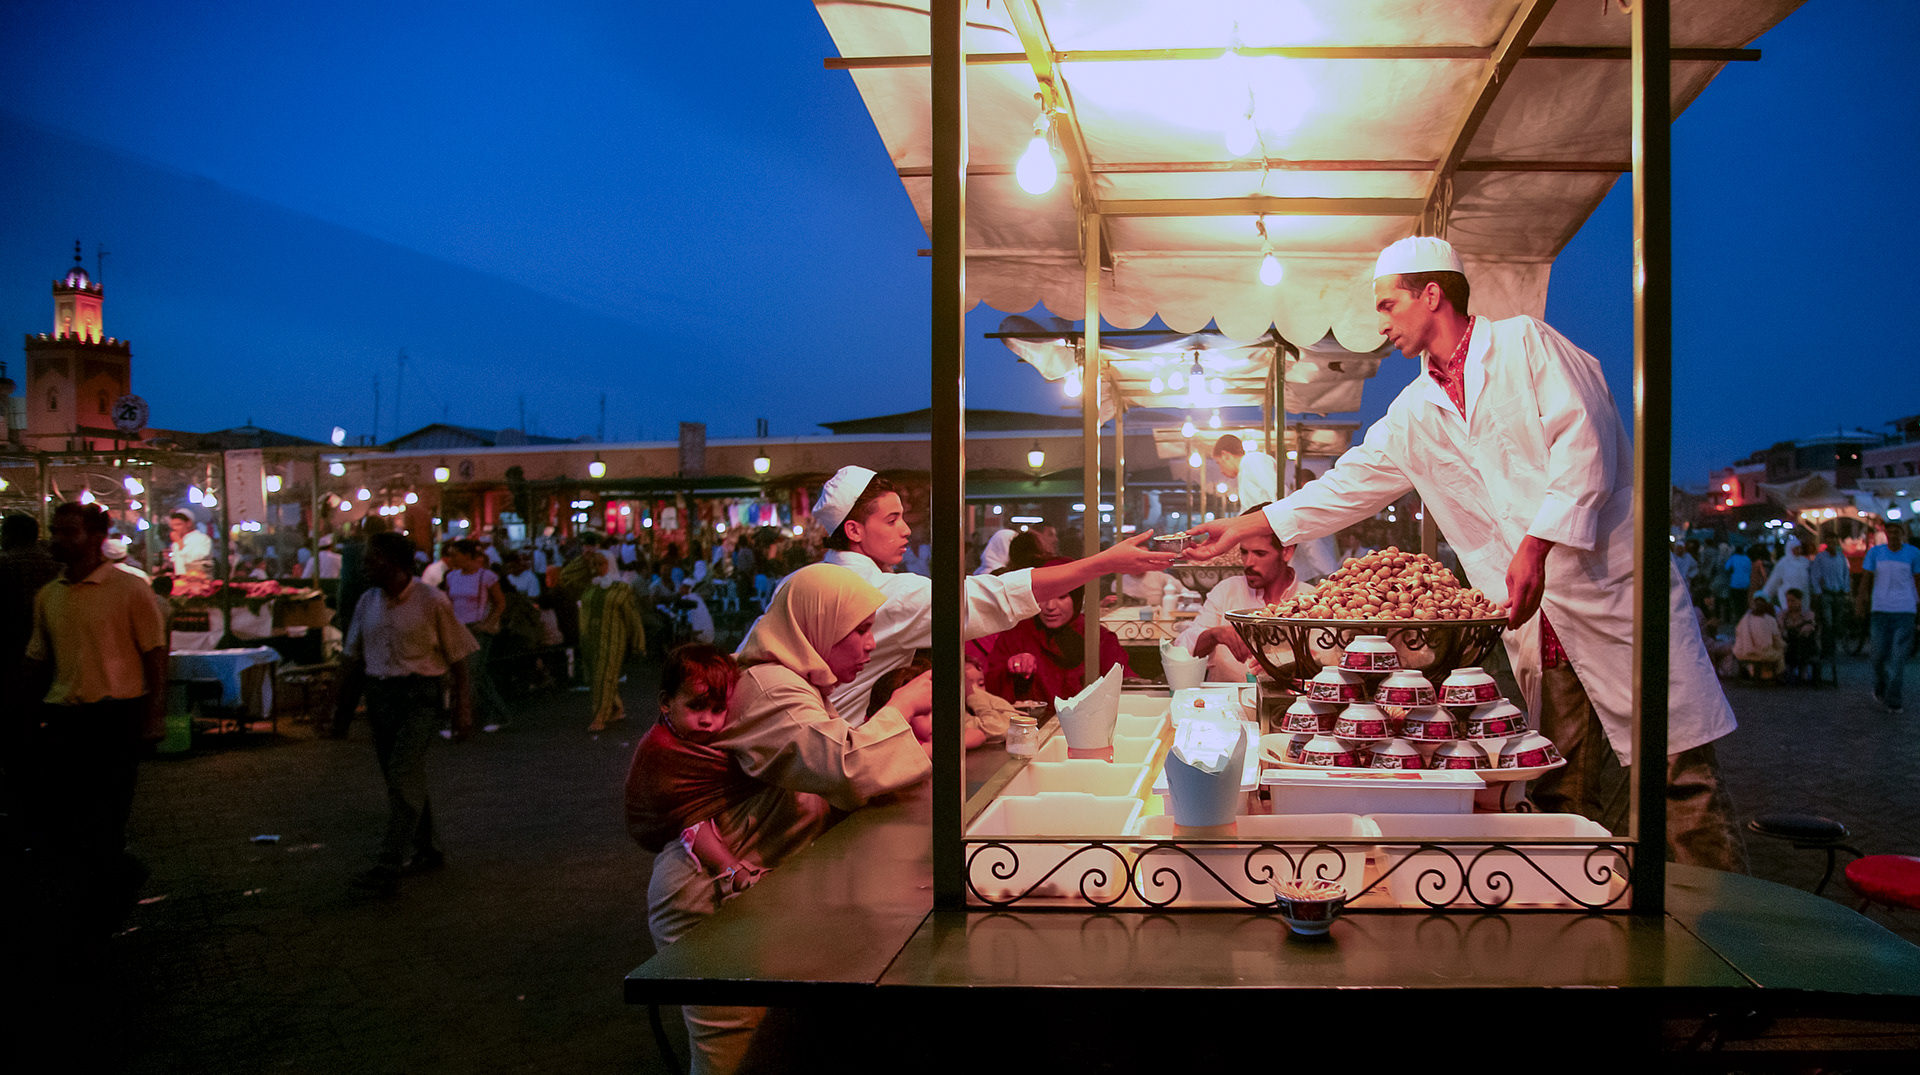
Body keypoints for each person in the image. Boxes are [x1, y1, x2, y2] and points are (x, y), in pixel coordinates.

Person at [1181, 235, 1745, 871]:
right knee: (1558, 777)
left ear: (1432, 295)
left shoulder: (1527, 345)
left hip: (1611, 593)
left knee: (1679, 774)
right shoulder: (1412, 410)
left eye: (1390, 304)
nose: (1381, 321)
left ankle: (1718, 924)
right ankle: (1574, 904)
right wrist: (1251, 523)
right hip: (1539, 619)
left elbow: (1586, 446)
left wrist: (1535, 545)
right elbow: (1349, 485)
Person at [645, 563, 933, 1074]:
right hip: (710, 891)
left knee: (772, 1045)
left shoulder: (795, 682)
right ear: (814, 625)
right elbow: (843, 767)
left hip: (749, 890)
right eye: (860, 629)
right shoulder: (771, 688)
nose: (871, 644)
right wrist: (903, 703)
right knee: (729, 1055)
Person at [20, 502, 168, 928]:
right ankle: (99, 886)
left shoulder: (129, 588)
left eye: (70, 532)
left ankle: (105, 894)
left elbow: (155, 654)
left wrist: (153, 714)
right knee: (69, 808)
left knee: (108, 808)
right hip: (65, 714)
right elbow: (37, 658)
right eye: (57, 531)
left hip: (114, 715)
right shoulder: (48, 595)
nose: (58, 540)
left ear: (96, 537)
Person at [335, 531, 477, 896]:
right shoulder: (367, 601)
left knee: (401, 773)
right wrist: (337, 707)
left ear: (394, 562)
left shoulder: (432, 600)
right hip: (381, 697)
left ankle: (388, 864)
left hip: (420, 698)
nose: (365, 566)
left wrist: (463, 708)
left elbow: (459, 658)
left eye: (372, 559)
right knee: (402, 776)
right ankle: (427, 849)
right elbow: (352, 657)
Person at [624, 645, 764, 898]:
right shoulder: (660, 748)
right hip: (676, 822)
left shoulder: (712, 734)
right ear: (666, 703)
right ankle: (731, 871)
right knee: (695, 822)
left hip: (717, 818)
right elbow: (664, 799)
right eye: (696, 707)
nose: (707, 720)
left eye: (717, 709)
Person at [1174, 504, 1305, 681]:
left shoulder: (1312, 601)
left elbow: (1332, 662)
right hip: (1224, 706)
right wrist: (1215, 634)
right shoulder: (1226, 591)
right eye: (1244, 552)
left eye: (1260, 553)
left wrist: (1293, 662)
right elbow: (1181, 652)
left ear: (1287, 552)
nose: (1248, 562)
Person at [983, 560, 1130, 704]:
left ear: (1076, 598)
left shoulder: (1097, 638)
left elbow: (1124, 685)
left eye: (1062, 596)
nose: (1050, 606)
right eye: (1044, 596)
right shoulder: (1017, 635)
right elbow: (988, 689)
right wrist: (1012, 670)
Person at [443, 539, 510, 732]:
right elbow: (448, 602)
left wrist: (487, 623)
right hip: (459, 627)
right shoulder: (451, 577)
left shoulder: (486, 576)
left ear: (467, 555)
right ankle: (496, 714)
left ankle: (464, 718)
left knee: (471, 672)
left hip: (477, 628)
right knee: (476, 674)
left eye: (455, 554)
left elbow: (500, 603)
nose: (452, 558)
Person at [581, 551, 646, 733]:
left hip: (613, 640)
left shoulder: (621, 588)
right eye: (594, 564)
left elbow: (632, 616)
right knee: (597, 677)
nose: (596, 568)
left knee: (605, 676)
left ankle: (600, 716)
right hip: (592, 640)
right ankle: (616, 707)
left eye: (601, 563)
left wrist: (638, 641)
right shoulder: (591, 587)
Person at [1860, 522, 1918, 713]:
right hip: (1880, 610)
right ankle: (1881, 683)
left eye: (1897, 532)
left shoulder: (1914, 553)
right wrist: (1861, 600)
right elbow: (1866, 578)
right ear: (1885, 534)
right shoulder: (1875, 553)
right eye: (1890, 532)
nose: (1893, 536)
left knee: (1898, 658)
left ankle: (1894, 699)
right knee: (1877, 655)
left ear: (1903, 534)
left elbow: (1918, 581)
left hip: (1905, 610)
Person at [1811, 541, 1852, 661]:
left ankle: (1832, 649)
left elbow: (1846, 574)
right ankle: (1826, 649)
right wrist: (1818, 591)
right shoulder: (1821, 558)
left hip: (1838, 593)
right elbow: (1815, 575)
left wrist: (1846, 589)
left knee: (1837, 622)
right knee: (1827, 623)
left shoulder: (1841, 557)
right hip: (1826, 593)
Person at [1212, 433, 1278, 507]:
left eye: (1219, 463)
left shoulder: (1253, 460)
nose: (1221, 471)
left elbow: (1275, 495)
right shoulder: (1244, 469)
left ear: (1225, 455)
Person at [1732, 595, 1786, 679]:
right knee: (1780, 650)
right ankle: (1778, 675)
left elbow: (1737, 634)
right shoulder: (1770, 620)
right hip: (1764, 654)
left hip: (1743, 653)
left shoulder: (1744, 618)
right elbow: (1777, 641)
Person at [1779, 589, 1819, 684]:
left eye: (1793, 601)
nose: (1790, 604)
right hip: (1788, 645)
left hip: (1803, 646)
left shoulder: (1808, 614)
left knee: (1802, 639)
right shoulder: (1783, 615)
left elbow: (1809, 628)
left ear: (1800, 600)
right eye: (1788, 601)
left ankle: (1801, 671)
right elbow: (1780, 628)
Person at [165, 509, 213, 577]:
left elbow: (194, 559)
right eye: (173, 526)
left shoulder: (202, 539)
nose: (175, 528)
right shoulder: (176, 543)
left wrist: (180, 543)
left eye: (178, 524)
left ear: (189, 523)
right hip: (181, 580)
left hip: (198, 580)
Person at [1724, 545, 1753, 618]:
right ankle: (1743, 617)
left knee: (1736, 602)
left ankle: (1738, 618)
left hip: (1735, 583)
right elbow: (1750, 570)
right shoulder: (1747, 559)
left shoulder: (1733, 558)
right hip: (1745, 583)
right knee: (1743, 602)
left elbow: (1726, 567)